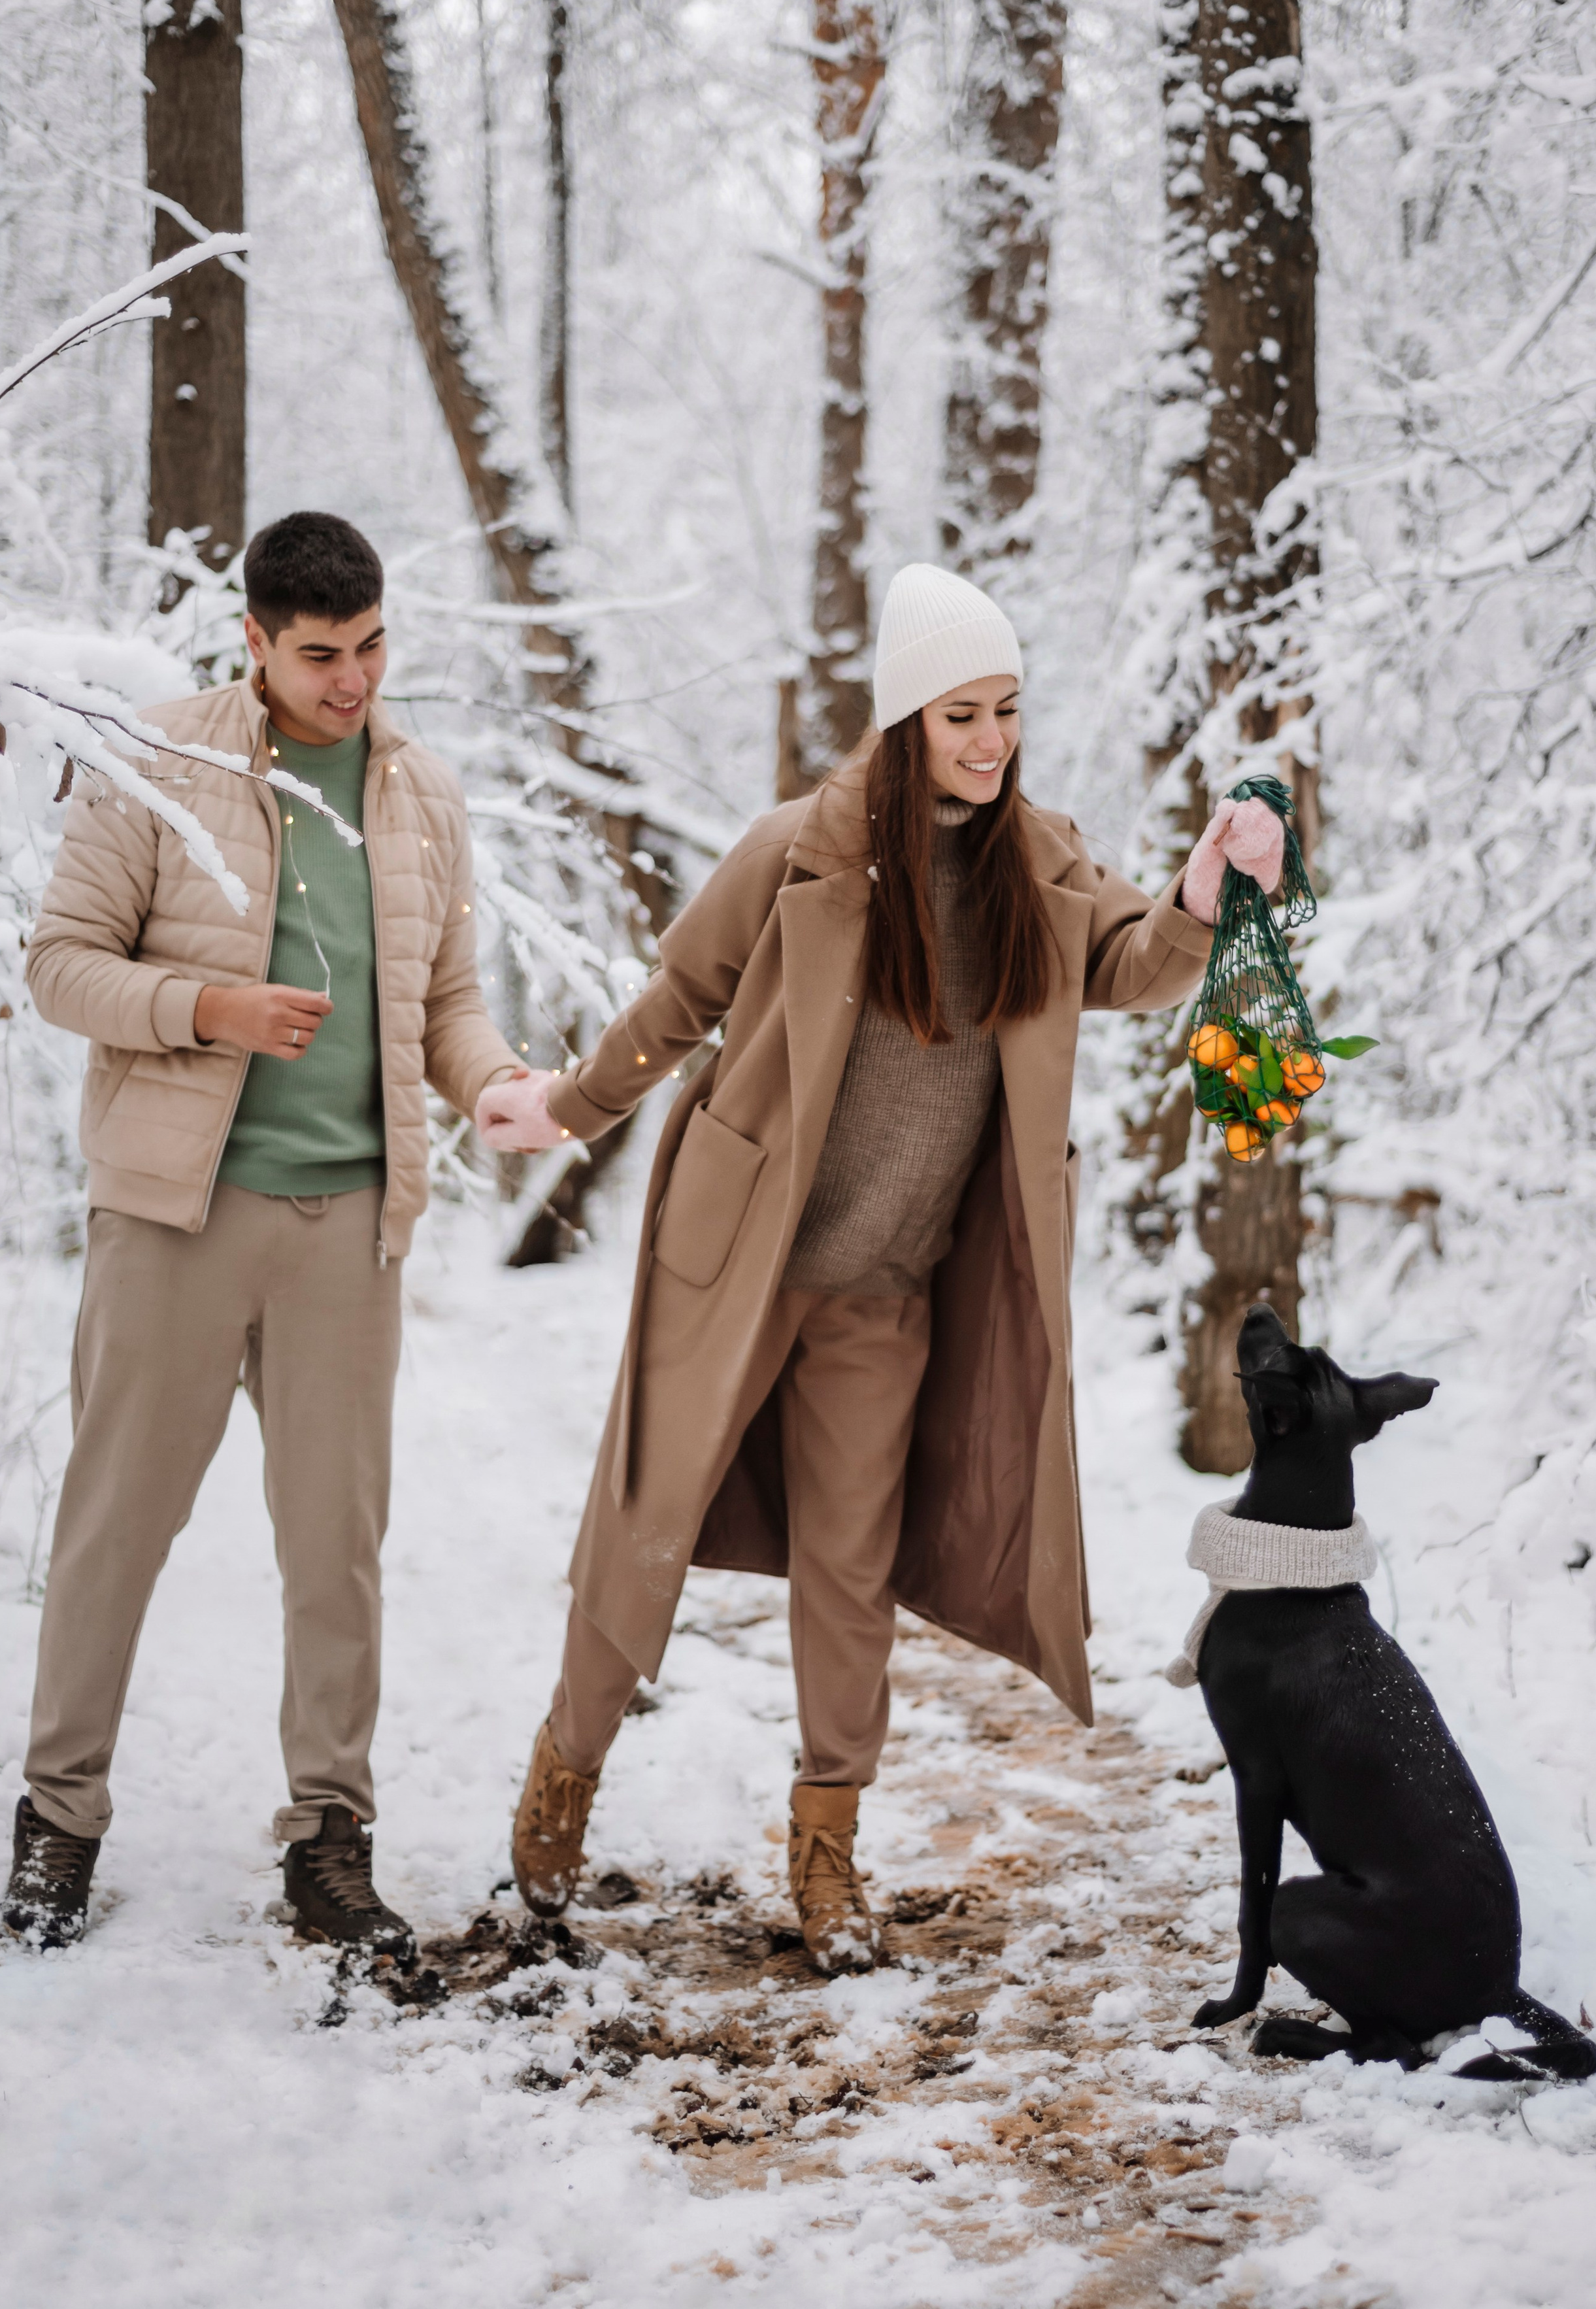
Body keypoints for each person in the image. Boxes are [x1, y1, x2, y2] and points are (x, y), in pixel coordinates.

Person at [479, 560, 1284, 1974]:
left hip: (888, 1288)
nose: (990, 739)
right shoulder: (796, 851)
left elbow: (1133, 962)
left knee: (848, 1570)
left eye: (1007, 710)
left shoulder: (1040, 861)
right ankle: (567, 1769)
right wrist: (569, 1107)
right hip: (741, 1260)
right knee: (646, 1523)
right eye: (961, 714)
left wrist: (1204, 896)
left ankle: (827, 1844)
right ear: (907, 721)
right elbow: (681, 996)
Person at [1, 512, 523, 1955]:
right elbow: (60, 967)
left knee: (336, 1549)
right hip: (176, 1214)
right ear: (254, 641)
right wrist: (207, 1009)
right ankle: (58, 1823)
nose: (353, 681)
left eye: (371, 648)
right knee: (114, 1530)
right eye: (321, 655)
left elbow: (446, 1004)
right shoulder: (164, 762)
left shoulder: (422, 793)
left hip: (348, 1229)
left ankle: (329, 1839)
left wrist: (494, 1084)